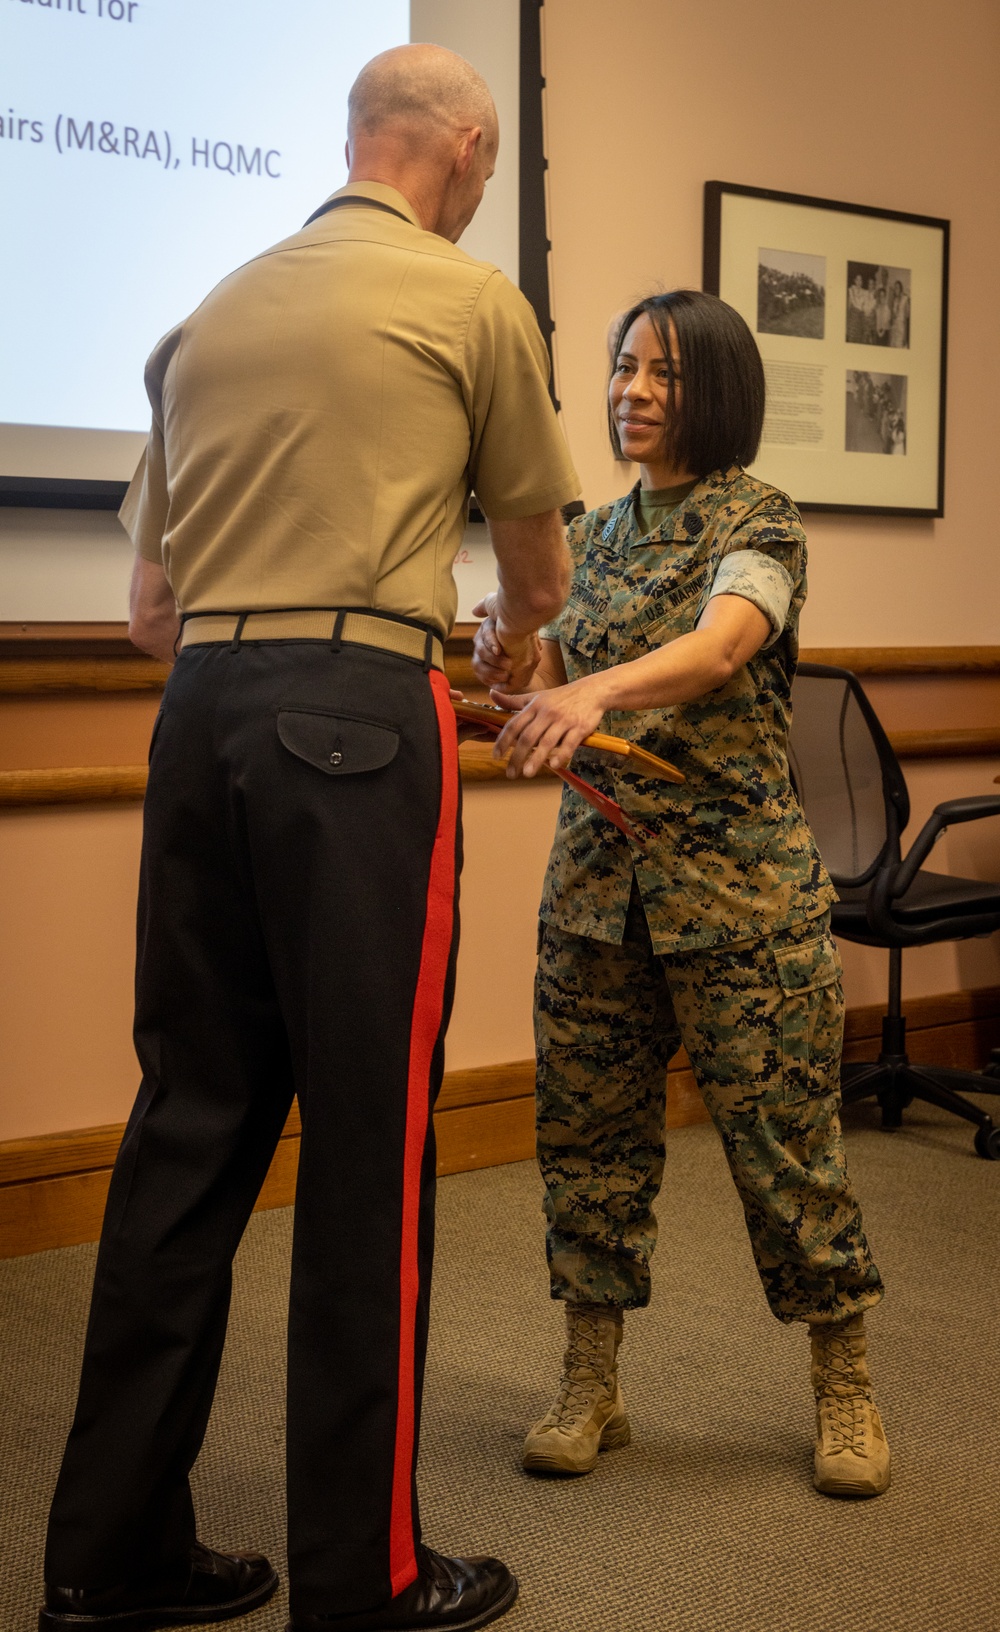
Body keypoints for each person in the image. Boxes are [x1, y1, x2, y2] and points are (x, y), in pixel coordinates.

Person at [40, 43, 578, 1632]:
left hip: (198, 716)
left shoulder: (207, 312)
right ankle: (368, 1576)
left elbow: (148, 613)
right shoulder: (472, 300)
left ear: (354, 137)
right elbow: (538, 577)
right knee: (368, 1149)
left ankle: (107, 1556)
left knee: (187, 1126)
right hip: (360, 724)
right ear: (470, 151)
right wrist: (503, 647)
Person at [473, 290, 891, 1502]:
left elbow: (719, 648)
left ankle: (844, 1386)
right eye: (619, 368)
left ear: (714, 386)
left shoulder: (759, 519)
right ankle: (589, 1382)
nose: (632, 391)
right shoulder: (594, 532)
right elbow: (544, 672)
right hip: (598, 894)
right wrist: (516, 659)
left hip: (739, 893)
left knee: (785, 1149)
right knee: (588, 1144)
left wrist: (594, 695)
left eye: (659, 371)